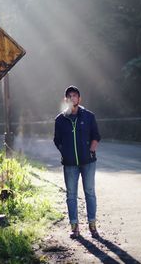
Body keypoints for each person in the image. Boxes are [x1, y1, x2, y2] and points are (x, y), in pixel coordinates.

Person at [53, 86, 101, 239]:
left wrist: (91, 150)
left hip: (88, 162)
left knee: (90, 193)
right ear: (65, 100)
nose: (72, 98)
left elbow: (96, 135)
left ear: (79, 99)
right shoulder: (60, 120)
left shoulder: (88, 116)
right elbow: (57, 140)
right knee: (71, 195)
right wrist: (65, 153)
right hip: (70, 164)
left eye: (75, 96)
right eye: (69, 96)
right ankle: (74, 227)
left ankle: (92, 225)